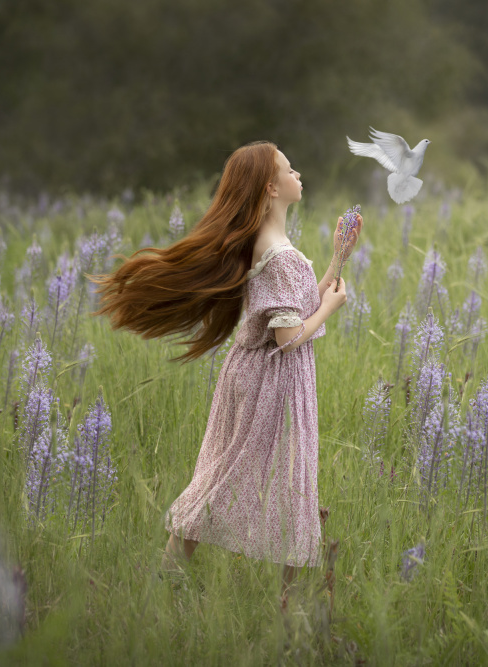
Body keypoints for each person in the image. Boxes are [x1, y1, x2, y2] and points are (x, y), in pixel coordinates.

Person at [91, 141, 362, 592]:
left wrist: (339, 257)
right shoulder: (284, 255)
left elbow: (293, 308)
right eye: (290, 170)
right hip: (273, 382)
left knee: (224, 471)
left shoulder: (265, 246)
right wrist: (332, 307)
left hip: (249, 373)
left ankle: (169, 571)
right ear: (271, 188)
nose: (299, 176)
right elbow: (289, 337)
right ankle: (287, 606)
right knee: (287, 478)